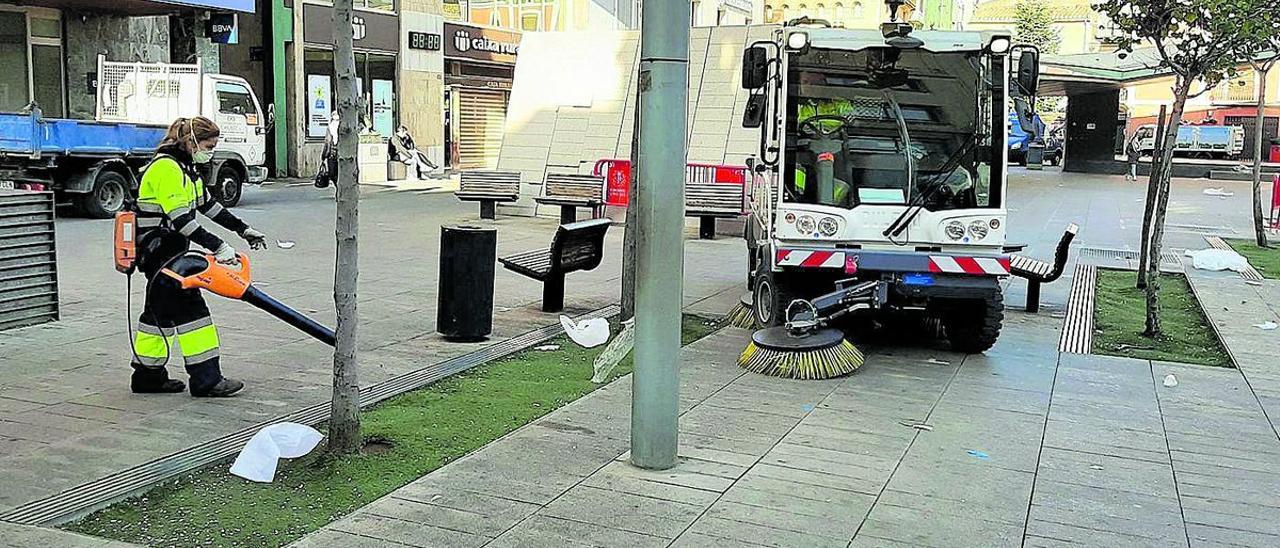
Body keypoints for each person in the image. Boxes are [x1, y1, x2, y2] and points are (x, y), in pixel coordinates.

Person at [130, 116, 268, 397]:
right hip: (163, 256)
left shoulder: (186, 169)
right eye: (209, 145)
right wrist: (219, 247)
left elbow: (208, 205)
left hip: (167, 255)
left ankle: (148, 376)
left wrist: (243, 230)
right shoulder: (167, 170)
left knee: (158, 317)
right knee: (195, 315)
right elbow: (182, 220)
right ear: (191, 142)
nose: (212, 151)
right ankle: (206, 380)